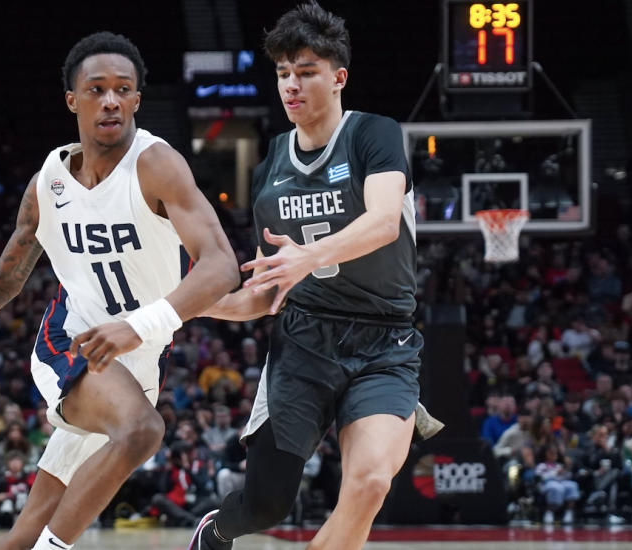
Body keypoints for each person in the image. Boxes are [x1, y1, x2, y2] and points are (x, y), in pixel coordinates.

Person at [0, 31, 238, 550]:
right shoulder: (49, 185)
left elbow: (222, 269)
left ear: (136, 99)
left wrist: (274, 291)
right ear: (73, 99)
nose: (110, 100)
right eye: (97, 89)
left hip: (136, 361)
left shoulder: (157, 165)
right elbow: (3, 279)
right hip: (69, 345)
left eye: (123, 89)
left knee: (18, 539)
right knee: (142, 431)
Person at [187, 4, 441, 549]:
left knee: (371, 480)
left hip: (384, 343)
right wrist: (184, 307)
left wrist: (307, 255)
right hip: (303, 344)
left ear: (338, 77)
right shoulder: (269, 167)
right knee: (266, 505)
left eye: (305, 71)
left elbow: (380, 223)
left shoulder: (374, 134)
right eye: (283, 73)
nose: (291, 85)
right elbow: (266, 292)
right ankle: (217, 529)